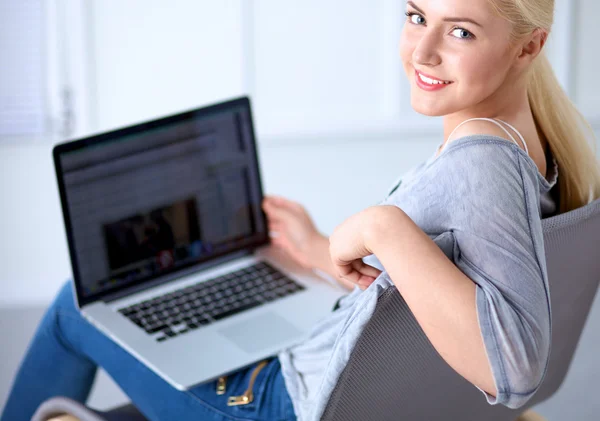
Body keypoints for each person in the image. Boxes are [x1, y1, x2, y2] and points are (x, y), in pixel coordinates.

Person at [4, 0, 600, 420]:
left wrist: (380, 226)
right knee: (232, 313)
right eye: (417, 15)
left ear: (529, 46)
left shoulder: (481, 162)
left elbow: (515, 372)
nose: (422, 50)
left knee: (74, 308)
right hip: (338, 379)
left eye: (460, 32)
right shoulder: (534, 144)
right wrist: (317, 249)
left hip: (275, 406)